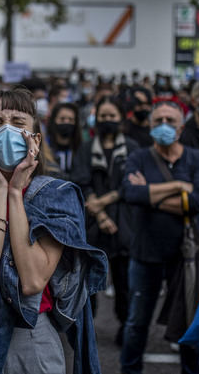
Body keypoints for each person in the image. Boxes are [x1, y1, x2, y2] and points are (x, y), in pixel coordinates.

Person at [0, 88, 107, 374]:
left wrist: (15, 193)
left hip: (29, 333)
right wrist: (0, 190)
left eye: (18, 123)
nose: (7, 130)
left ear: (35, 140)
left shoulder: (56, 196)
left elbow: (32, 281)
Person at [121, 100, 199, 374]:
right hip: (145, 253)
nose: (164, 126)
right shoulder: (139, 157)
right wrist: (176, 186)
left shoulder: (197, 158)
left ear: (181, 127)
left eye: (170, 121)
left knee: (188, 321)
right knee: (137, 323)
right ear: (150, 126)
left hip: (184, 256)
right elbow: (130, 194)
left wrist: (151, 195)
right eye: (158, 120)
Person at [71, 96, 138, 345]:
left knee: (125, 283)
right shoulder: (87, 148)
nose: (107, 121)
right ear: (95, 119)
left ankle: (125, 326)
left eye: (112, 116)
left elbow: (132, 182)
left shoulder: (131, 147)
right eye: (103, 116)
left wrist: (103, 202)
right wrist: (99, 214)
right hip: (92, 224)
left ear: (121, 118)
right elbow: (80, 181)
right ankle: (88, 326)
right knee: (89, 282)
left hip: (125, 224)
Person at [47, 102, 83, 179]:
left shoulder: (81, 148)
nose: (66, 122)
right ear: (54, 120)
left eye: (70, 119)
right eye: (62, 119)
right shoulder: (46, 147)